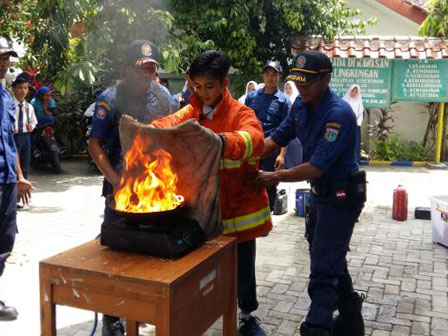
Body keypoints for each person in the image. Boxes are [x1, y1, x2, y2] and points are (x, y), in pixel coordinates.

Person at [151, 50, 272, 336]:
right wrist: (148, 130)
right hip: (204, 211)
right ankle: (200, 313)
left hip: (238, 211)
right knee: (201, 271)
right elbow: (169, 123)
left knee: (243, 267)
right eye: (197, 87)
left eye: (209, 87)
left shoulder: (242, 113)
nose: (202, 93)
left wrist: (219, 141)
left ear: (224, 85)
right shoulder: (191, 111)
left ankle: (246, 317)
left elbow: (253, 139)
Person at [250, 50, 366, 336]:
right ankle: (351, 320)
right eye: (298, 82)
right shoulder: (300, 106)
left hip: (341, 197)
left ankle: (316, 328)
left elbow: (317, 167)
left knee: (323, 272)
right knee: (329, 255)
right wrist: (242, 154)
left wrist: (273, 176)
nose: (301, 88)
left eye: (308, 83)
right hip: (321, 197)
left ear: (326, 79)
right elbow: (277, 137)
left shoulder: (338, 114)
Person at [88, 39, 177, 336]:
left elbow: (174, 133)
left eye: (152, 70)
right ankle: (112, 317)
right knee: (116, 252)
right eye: (141, 70)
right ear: (127, 69)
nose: (147, 75)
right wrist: (116, 180)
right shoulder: (110, 99)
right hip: (121, 185)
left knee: (149, 253)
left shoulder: (163, 96)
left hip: (155, 188)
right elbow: (94, 144)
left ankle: (141, 308)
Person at [0, 35, 34, 321]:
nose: (4, 63)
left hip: (8, 180)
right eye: (0, 57)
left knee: (5, 240)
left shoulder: (5, 99)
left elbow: (10, 143)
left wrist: (20, 176)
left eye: (6, 58)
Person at [245, 61, 290, 211]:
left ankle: (267, 215)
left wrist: (282, 155)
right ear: (263, 76)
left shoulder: (284, 101)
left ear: (279, 77)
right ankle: (251, 211)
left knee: (270, 182)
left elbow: (286, 130)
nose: (270, 78)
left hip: (272, 148)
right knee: (249, 179)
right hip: (252, 147)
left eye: (274, 75)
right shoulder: (251, 97)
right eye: (267, 74)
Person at [12, 73, 38, 180]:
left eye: (25, 88)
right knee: (12, 164)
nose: (23, 91)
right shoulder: (9, 105)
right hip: (13, 137)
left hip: (25, 137)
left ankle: (23, 187)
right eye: (20, 88)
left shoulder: (28, 107)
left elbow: (33, 121)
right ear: (13, 89)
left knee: (25, 164)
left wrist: (31, 126)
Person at [343, 84, 363, 163]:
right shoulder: (344, 101)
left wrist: (357, 123)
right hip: (345, 125)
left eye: (356, 92)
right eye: (352, 91)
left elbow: (360, 114)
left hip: (355, 126)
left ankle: (355, 161)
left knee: (355, 144)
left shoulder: (359, 102)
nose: (354, 93)